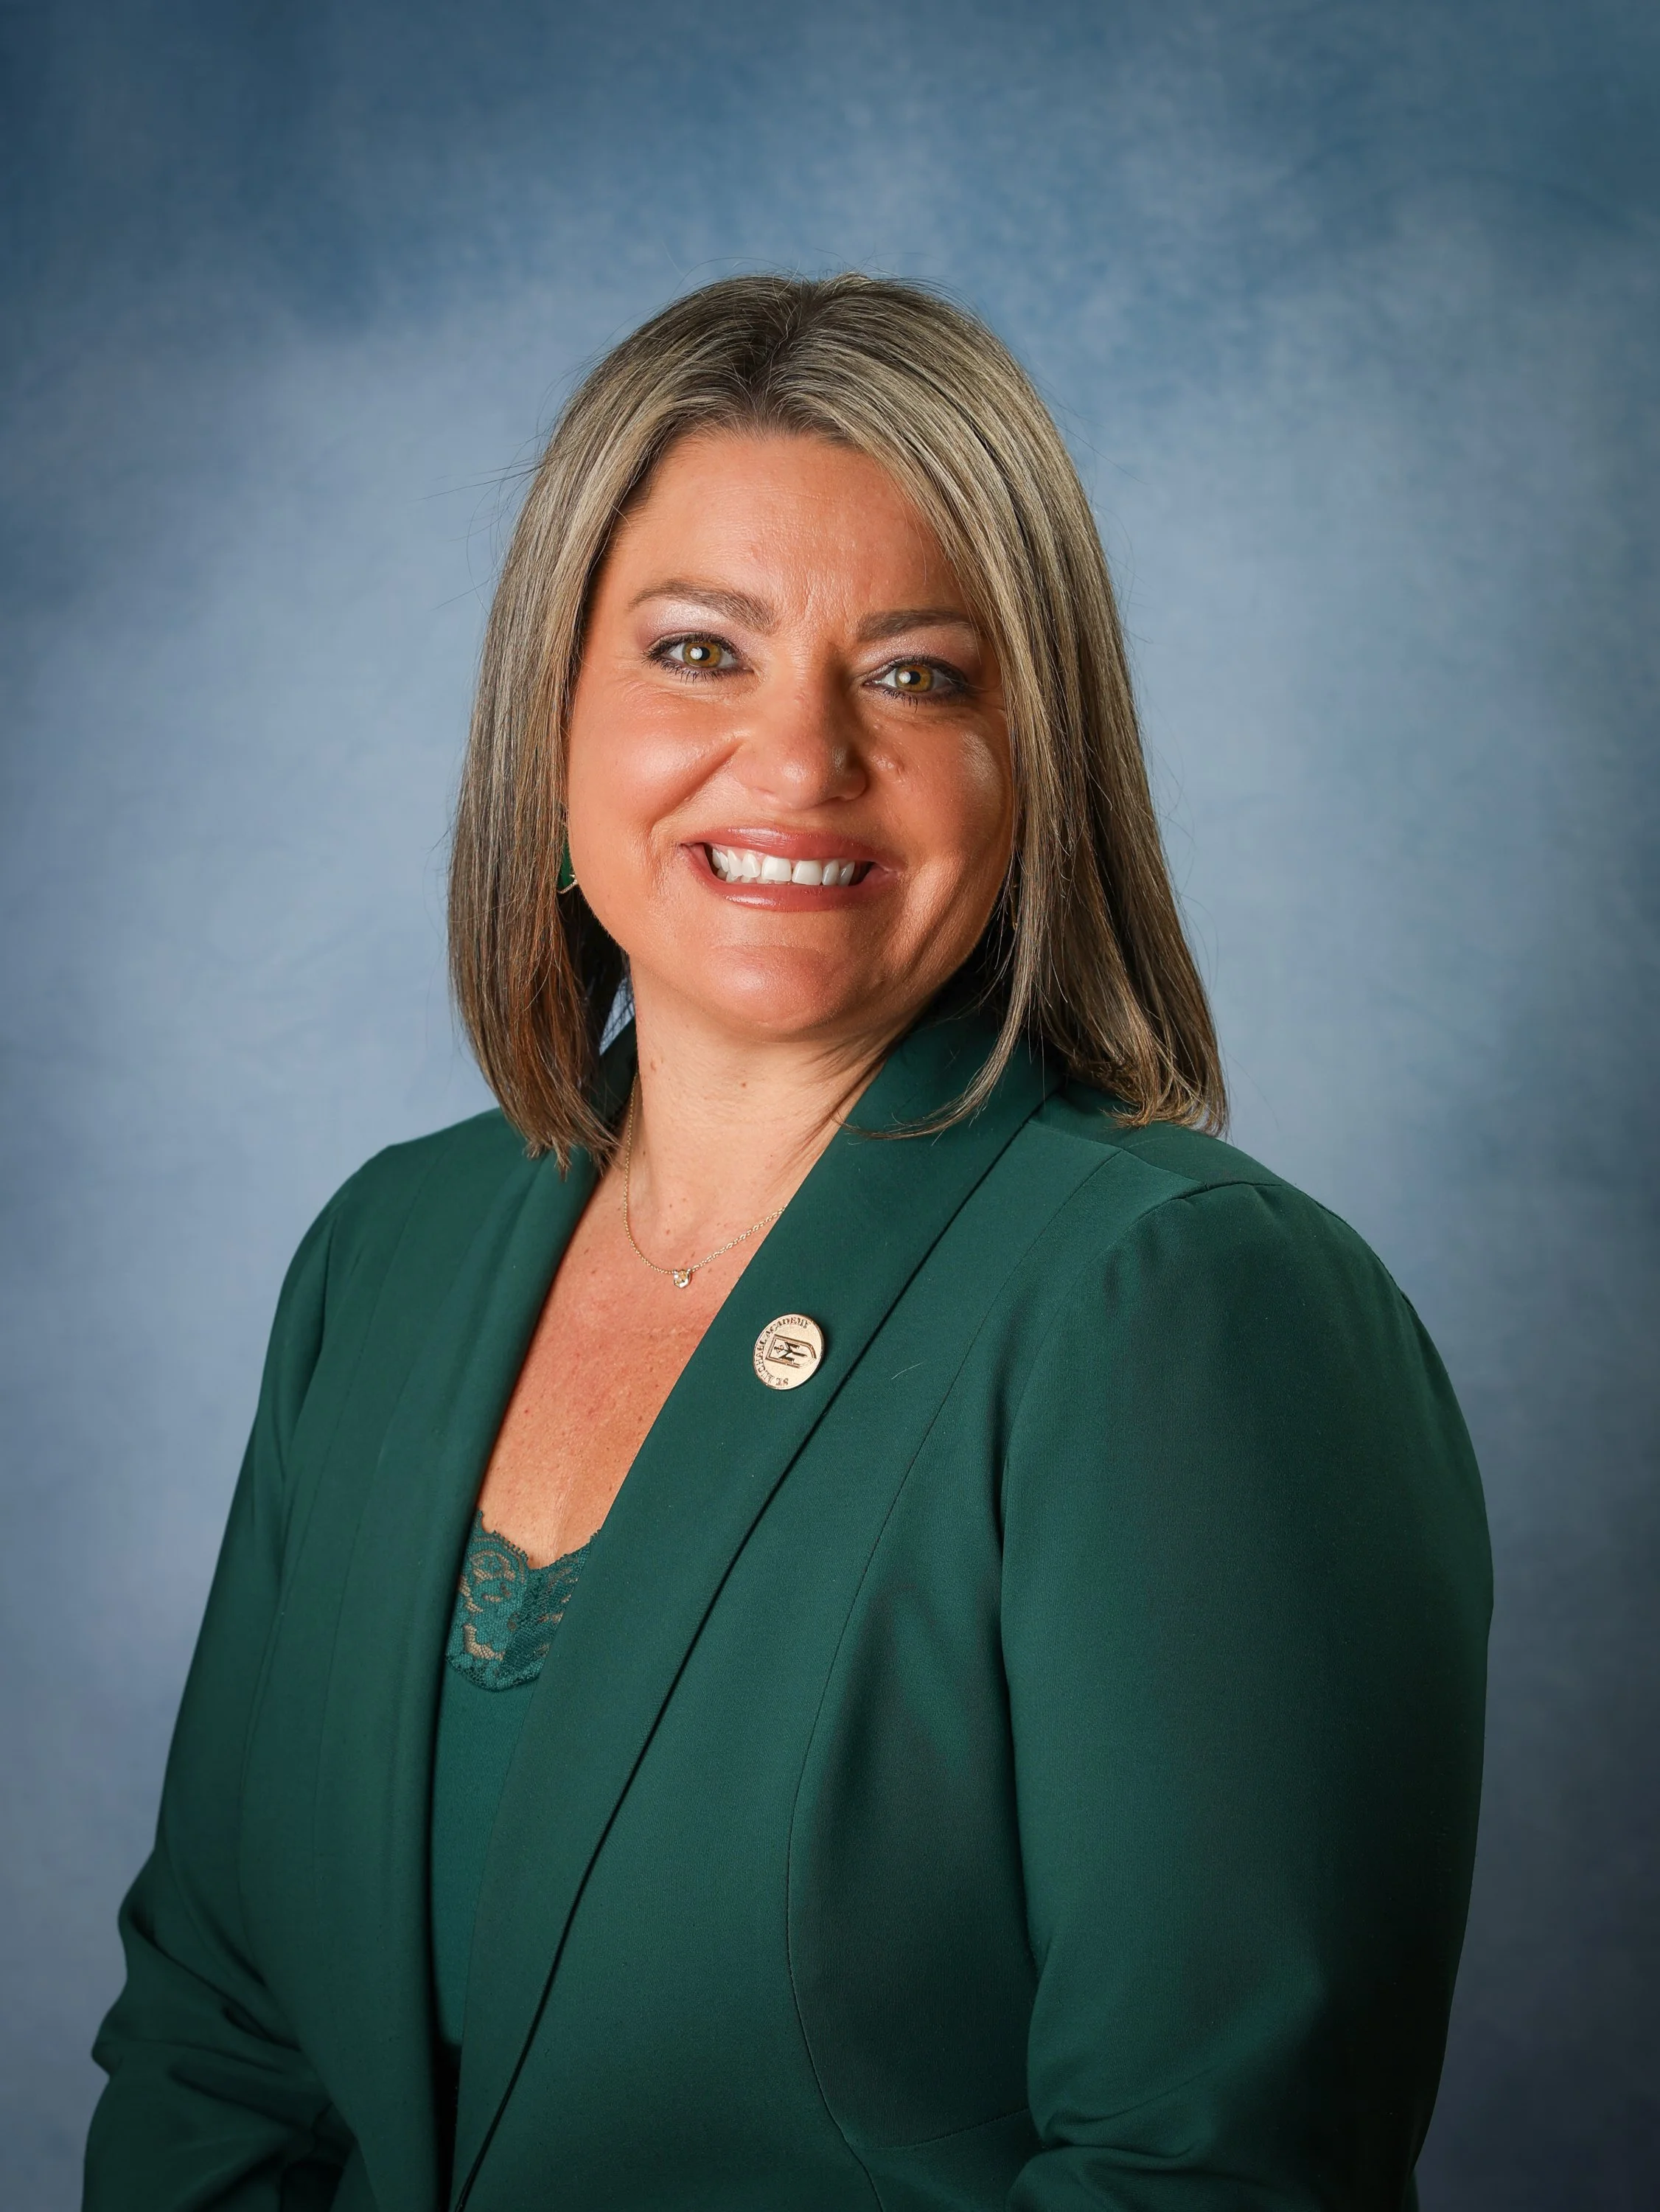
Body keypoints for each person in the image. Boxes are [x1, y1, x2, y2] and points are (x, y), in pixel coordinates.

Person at [86, 274, 1490, 2212]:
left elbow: (1206, 2167)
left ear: (1037, 756)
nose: (797, 761)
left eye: (916, 674)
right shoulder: (386, 1258)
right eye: (695, 652)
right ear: (550, 699)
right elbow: (220, 2037)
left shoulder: (1180, 1309)